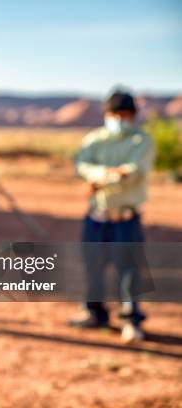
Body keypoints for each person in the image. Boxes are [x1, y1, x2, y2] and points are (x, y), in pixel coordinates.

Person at [69, 90, 155, 344]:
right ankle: (94, 312)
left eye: (124, 115)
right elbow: (81, 166)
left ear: (133, 116)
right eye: (115, 114)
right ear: (107, 115)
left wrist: (97, 178)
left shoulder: (142, 141)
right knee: (92, 266)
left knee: (129, 270)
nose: (119, 119)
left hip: (125, 219)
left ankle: (131, 320)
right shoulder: (94, 140)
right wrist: (111, 174)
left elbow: (134, 172)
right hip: (96, 217)